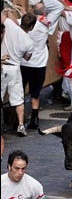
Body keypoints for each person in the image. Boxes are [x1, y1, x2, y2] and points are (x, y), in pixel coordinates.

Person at [1, 9, 34, 137]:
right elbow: (27, 58)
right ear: (31, 27)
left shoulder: (10, 26)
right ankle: (20, 125)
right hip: (14, 67)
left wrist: (8, 11)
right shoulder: (29, 42)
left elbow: (2, 17)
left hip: (2, 65)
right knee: (18, 99)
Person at [20, 2, 51, 130]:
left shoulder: (24, 26)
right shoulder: (45, 26)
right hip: (39, 64)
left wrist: (22, 12)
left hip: (24, 64)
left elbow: (19, 21)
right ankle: (35, 118)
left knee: (20, 91)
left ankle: (19, 119)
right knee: (35, 93)